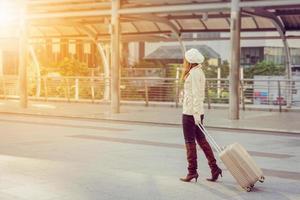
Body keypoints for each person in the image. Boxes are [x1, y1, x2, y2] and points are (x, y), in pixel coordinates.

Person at [180, 48, 222, 182]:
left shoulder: (193, 74)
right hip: (196, 113)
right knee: (202, 140)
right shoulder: (199, 72)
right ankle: (214, 168)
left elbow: (197, 96)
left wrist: (195, 115)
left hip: (190, 113)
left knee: (189, 142)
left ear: (190, 61)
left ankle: (192, 171)